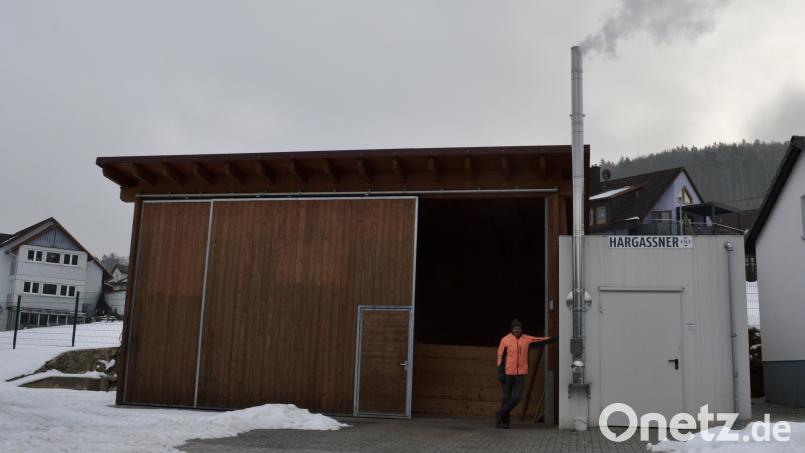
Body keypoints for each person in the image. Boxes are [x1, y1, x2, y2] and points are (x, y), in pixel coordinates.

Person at [495, 319, 553, 429]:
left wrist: (553, 339)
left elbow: (540, 340)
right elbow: (500, 356)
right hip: (507, 374)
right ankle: (505, 421)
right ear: (512, 329)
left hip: (520, 374)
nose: (517, 330)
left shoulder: (526, 339)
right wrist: (500, 372)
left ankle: (501, 413)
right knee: (506, 398)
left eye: (519, 328)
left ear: (521, 329)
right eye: (515, 328)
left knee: (517, 397)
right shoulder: (505, 340)